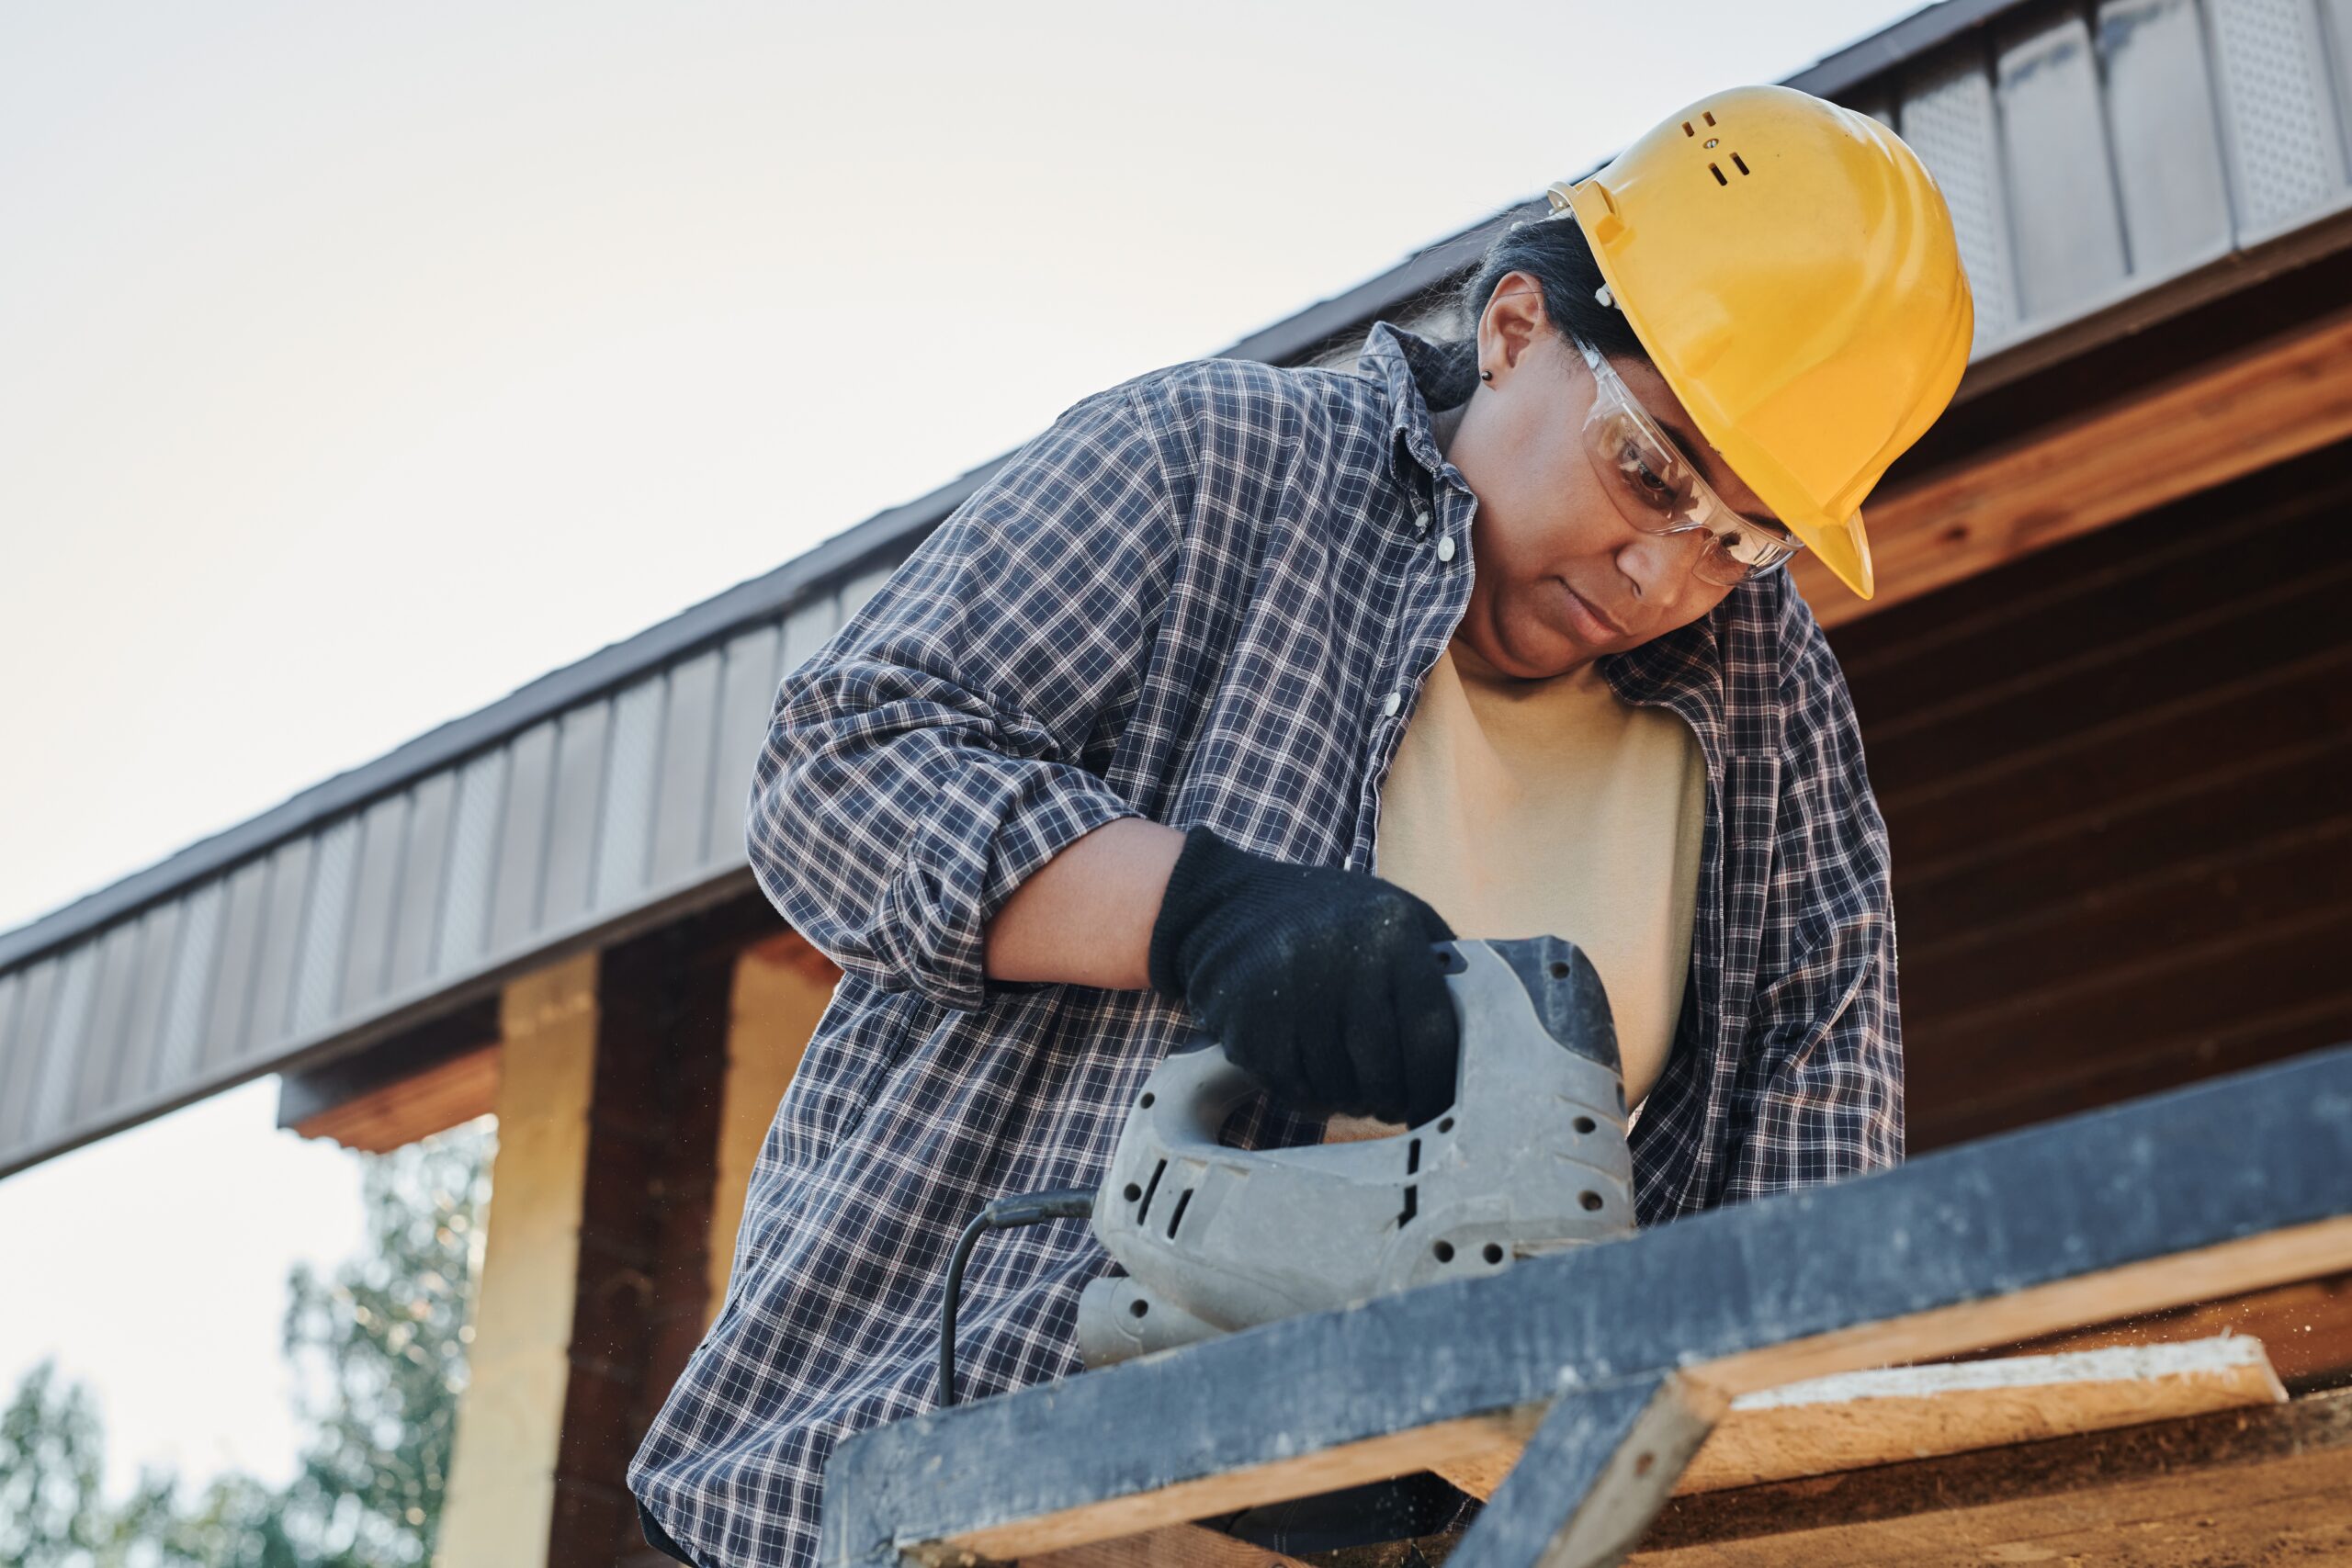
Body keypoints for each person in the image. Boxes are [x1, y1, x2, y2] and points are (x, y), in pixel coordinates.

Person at [630, 84, 1973, 1568]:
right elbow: (840, 763)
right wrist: (1196, 914)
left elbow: (1817, 1151)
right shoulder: (1215, 465)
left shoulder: (1772, 707)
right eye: (1647, 466)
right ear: (1516, 327)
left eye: (1743, 536)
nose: (1664, 572)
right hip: (960, 1474)